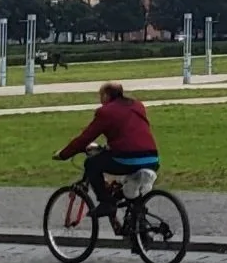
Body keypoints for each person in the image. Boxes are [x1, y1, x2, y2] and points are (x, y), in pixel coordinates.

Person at [56, 82, 160, 210]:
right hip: (152, 158)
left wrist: (64, 154)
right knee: (128, 184)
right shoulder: (137, 105)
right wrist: (108, 147)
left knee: (92, 164)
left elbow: (85, 138)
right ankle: (136, 213)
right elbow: (130, 134)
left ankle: (106, 202)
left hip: (127, 159)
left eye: (100, 96)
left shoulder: (105, 111)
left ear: (106, 95)